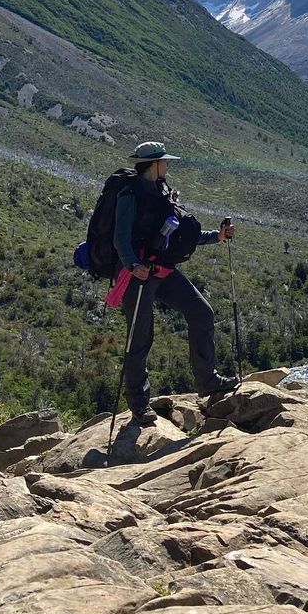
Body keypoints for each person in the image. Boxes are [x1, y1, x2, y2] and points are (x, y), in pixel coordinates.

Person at [114, 140, 238, 425]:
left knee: (201, 312)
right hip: (137, 276)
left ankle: (207, 381)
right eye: (165, 162)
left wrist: (217, 236)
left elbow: (181, 233)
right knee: (140, 338)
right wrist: (133, 265)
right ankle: (139, 404)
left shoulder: (164, 191)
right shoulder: (128, 194)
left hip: (162, 270)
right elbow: (120, 238)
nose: (168, 166)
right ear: (154, 164)